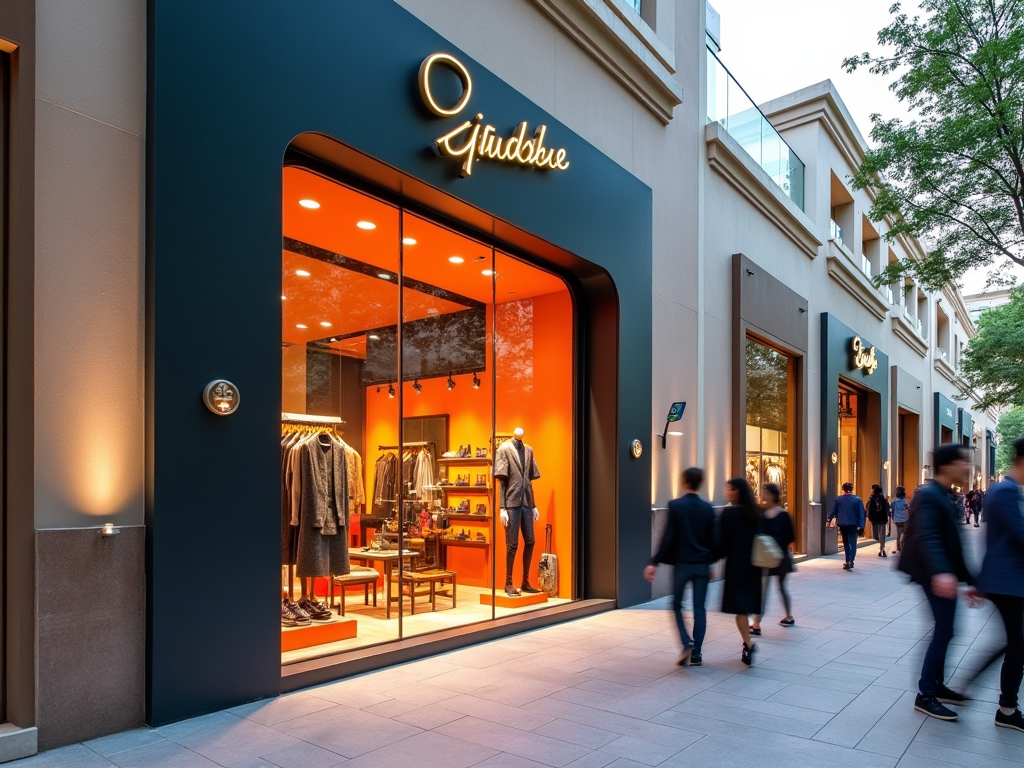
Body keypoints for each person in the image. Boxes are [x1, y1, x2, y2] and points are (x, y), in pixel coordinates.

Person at [897, 444, 980, 721]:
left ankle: (936, 685)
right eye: (963, 462)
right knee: (943, 630)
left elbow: (953, 541)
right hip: (932, 574)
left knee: (947, 630)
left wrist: (968, 579)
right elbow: (927, 536)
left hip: (942, 573)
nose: (968, 467)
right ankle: (926, 694)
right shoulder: (929, 495)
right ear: (947, 466)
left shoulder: (943, 494)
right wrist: (941, 573)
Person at [645, 467, 716, 667]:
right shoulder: (708, 508)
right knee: (699, 608)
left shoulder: (676, 506)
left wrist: (654, 562)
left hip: (682, 565)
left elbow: (668, 537)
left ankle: (686, 642)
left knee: (677, 604)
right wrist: (710, 562)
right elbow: (713, 540)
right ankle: (697, 654)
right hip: (702, 565)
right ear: (701, 484)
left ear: (684, 482)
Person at [976, 436, 1024, 732]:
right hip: (1006, 581)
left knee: (1015, 644)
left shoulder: (1008, 490)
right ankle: (1006, 709)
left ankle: (1006, 706)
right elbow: (1019, 536)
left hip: (1008, 580)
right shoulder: (1005, 491)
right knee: (1016, 646)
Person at [716, 478, 763, 665]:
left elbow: (722, 543)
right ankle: (748, 643)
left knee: (740, 609)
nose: (727, 491)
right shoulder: (756, 512)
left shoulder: (729, 513)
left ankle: (749, 644)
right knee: (746, 605)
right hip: (754, 565)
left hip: (736, 565)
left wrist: (711, 559)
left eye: (729, 488)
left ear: (737, 491)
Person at [749, 483, 795, 635]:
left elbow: (790, 536)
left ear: (773, 495)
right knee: (763, 590)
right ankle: (756, 623)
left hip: (780, 557)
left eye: (766, 493)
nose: (763, 495)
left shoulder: (783, 514)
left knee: (781, 588)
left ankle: (788, 616)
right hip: (766, 557)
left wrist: (774, 545)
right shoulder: (761, 513)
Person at [827, 482, 866, 570]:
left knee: (846, 542)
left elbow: (833, 511)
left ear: (843, 489)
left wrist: (828, 519)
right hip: (853, 524)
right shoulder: (857, 500)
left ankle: (848, 560)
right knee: (853, 542)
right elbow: (861, 513)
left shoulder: (838, 499)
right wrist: (861, 525)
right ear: (852, 490)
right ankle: (851, 560)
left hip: (843, 523)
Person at [867, 484, 891, 557]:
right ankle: (882, 548)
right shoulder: (883, 500)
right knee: (882, 534)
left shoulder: (871, 500)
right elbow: (887, 509)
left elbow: (868, 509)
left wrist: (869, 517)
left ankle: (881, 547)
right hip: (882, 518)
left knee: (877, 535)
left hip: (875, 519)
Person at [891, 486, 909, 554]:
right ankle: (903, 545)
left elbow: (891, 509)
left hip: (897, 519)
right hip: (905, 519)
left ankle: (898, 546)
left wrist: (893, 517)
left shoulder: (894, 502)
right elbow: (908, 509)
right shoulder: (905, 501)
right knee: (904, 533)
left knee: (898, 533)